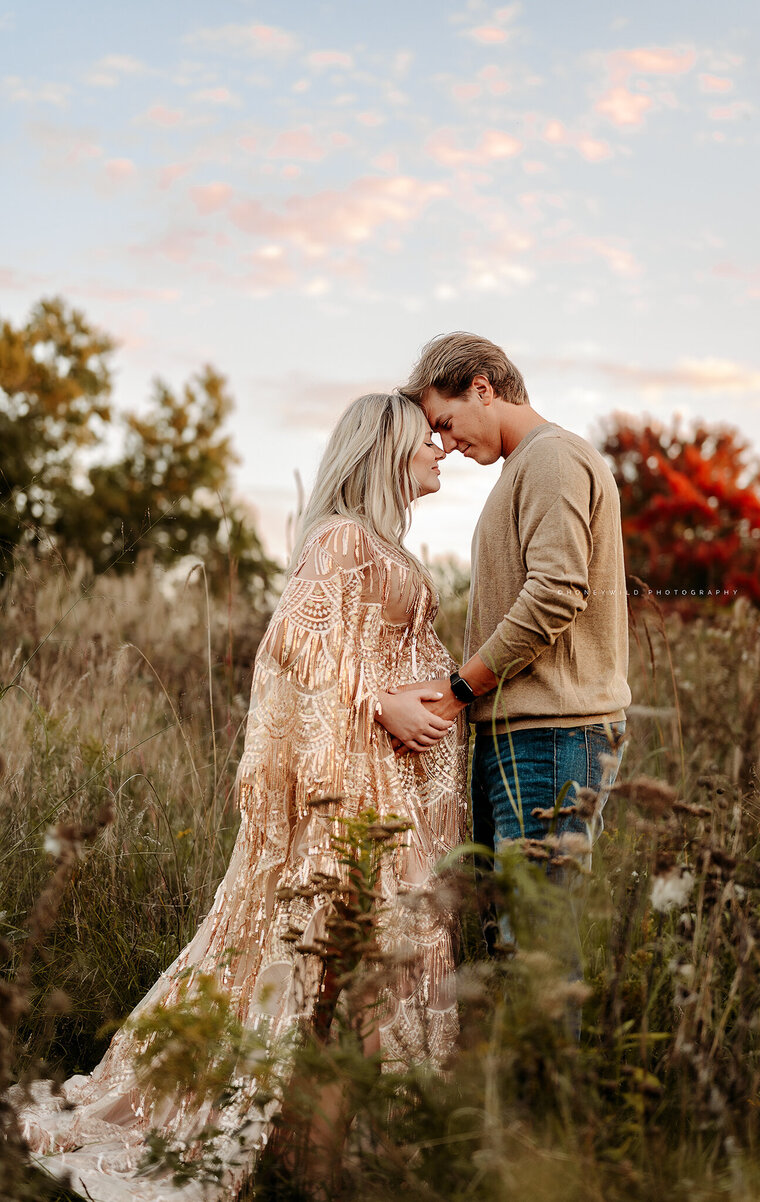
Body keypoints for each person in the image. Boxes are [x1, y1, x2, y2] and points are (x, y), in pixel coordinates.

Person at [13, 393, 468, 1202]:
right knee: (312, 956)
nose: (440, 449)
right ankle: (300, 1138)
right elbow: (294, 649)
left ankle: (347, 1138)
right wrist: (379, 703)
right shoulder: (341, 538)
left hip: (386, 783)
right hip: (349, 787)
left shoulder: (385, 544)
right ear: (385, 451)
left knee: (358, 961)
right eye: (424, 439)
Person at [399, 332, 630, 939]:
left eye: (447, 423)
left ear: (483, 388)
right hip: (524, 734)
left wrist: (457, 689)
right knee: (513, 942)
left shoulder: (552, 458)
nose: (446, 444)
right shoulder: (524, 468)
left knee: (538, 947)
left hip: (552, 735)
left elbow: (556, 593)